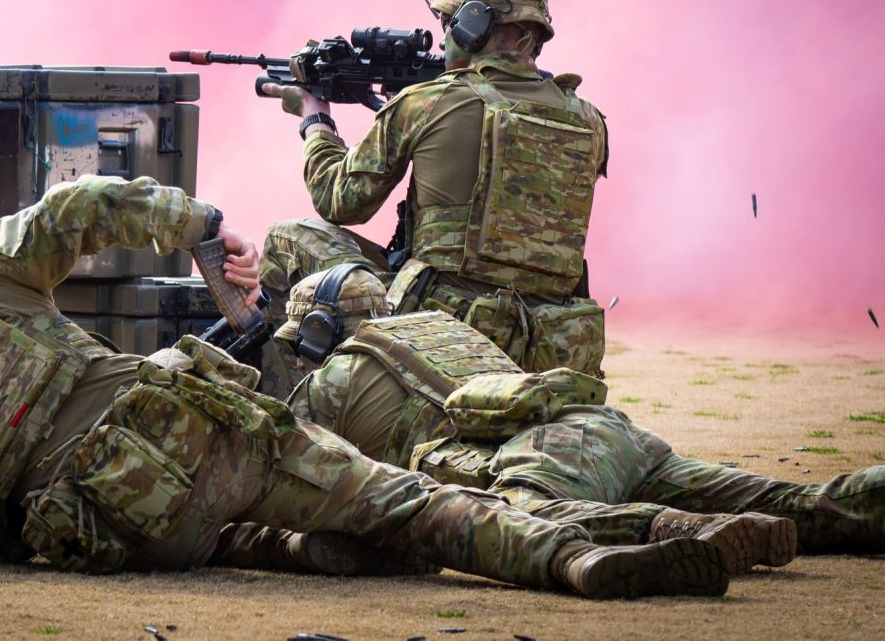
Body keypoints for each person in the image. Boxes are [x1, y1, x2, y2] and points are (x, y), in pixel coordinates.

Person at [0, 174, 731, 599]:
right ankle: (572, 555)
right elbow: (83, 208)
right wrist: (200, 225)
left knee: (263, 537)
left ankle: (325, 546)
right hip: (188, 435)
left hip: (126, 530)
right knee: (404, 501)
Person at [231, 266, 882, 573]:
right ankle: (862, 501)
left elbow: (286, 470)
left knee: (526, 516)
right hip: (610, 431)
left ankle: (686, 528)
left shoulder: (333, 379)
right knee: (793, 499)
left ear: (317, 330)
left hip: (542, 458)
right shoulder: (440, 329)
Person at [260, 0, 608, 397]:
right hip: (551, 344)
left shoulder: (427, 102)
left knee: (288, 237)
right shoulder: (589, 120)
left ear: (473, 26)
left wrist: (315, 120)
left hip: (443, 337)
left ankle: (303, 408)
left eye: (448, 22)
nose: (442, 38)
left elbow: (339, 200)